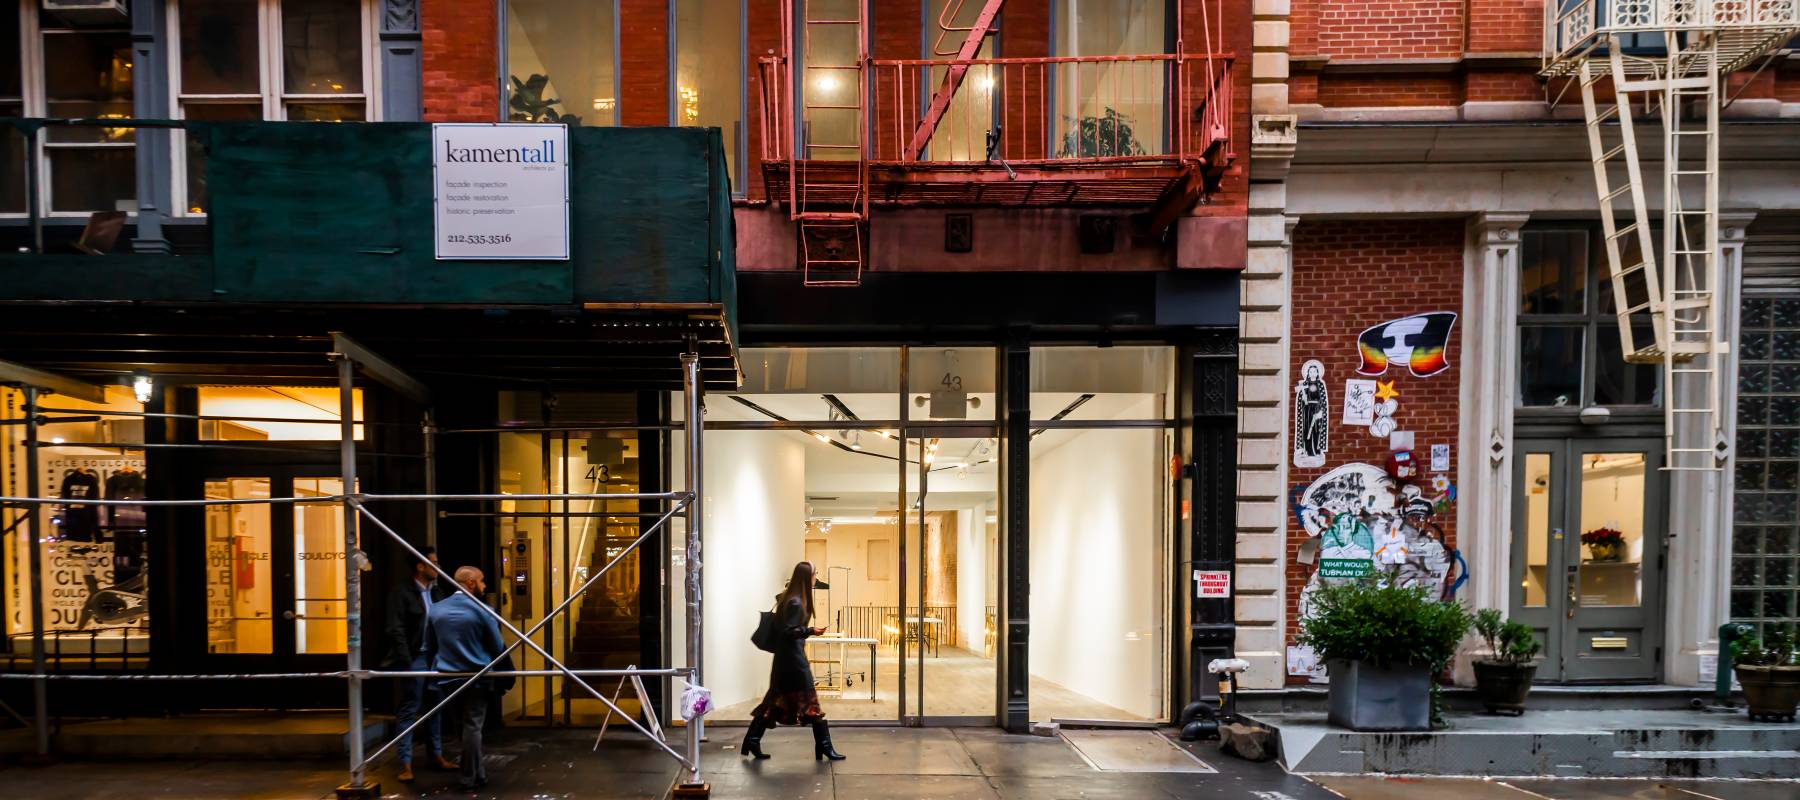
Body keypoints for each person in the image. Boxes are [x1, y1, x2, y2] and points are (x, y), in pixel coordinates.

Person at [740, 561, 846, 762]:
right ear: (808, 577)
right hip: (793, 663)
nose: (816, 577)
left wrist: (807, 630)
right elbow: (787, 631)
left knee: (773, 702)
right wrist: (810, 630)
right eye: (815, 574)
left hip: (784, 661)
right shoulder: (797, 602)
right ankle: (824, 747)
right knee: (810, 702)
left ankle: (752, 740)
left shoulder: (791, 598)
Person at [426, 566, 506, 791]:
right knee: (473, 726)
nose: (484, 585)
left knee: (461, 726)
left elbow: (429, 644)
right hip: (477, 675)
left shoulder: (436, 609)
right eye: (481, 581)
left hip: (446, 676)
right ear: (470, 582)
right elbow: (497, 646)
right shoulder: (483, 610)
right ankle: (468, 777)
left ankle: (478, 774)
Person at [382, 546, 456, 783]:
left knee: (435, 706)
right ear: (420, 566)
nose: (438, 567)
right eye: (433, 563)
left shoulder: (437, 593)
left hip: (434, 657)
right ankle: (406, 762)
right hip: (414, 658)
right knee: (409, 708)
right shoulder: (402, 592)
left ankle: (435, 755)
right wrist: (406, 660)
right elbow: (396, 628)